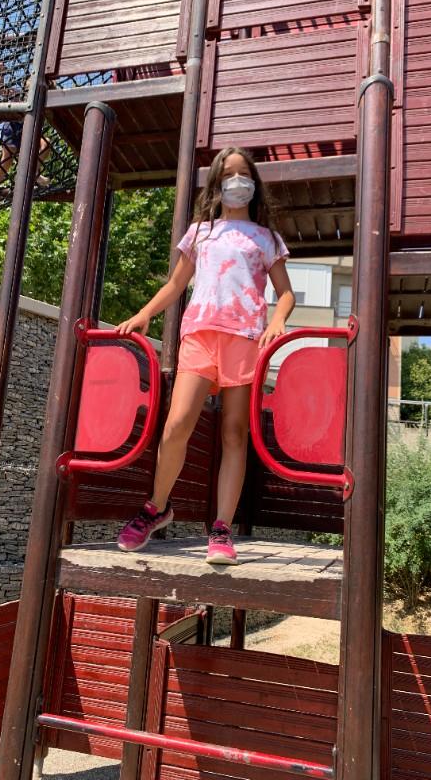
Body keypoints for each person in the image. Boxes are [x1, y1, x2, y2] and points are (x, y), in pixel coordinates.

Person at [114, 146, 295, 564]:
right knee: (176, 424)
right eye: (228, 175)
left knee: (234, 433)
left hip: (245, 338)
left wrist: (277, 320)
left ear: (254, 184)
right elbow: (175, 285)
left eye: (243, 174)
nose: (237, 181)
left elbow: (286, 293)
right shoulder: (200, 232)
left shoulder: (266, 238)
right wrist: (144, 314)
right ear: (217, 183)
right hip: (199, 334)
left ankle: (221, 528)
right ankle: (156, 507)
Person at [0, 63, 50, 206]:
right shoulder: (18, 95)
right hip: (13, 128)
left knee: (45, 144)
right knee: (7, 160)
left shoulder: (43, 100)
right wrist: (0, 74)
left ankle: (32, 171)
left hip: (30, 130)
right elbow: (1, 91)